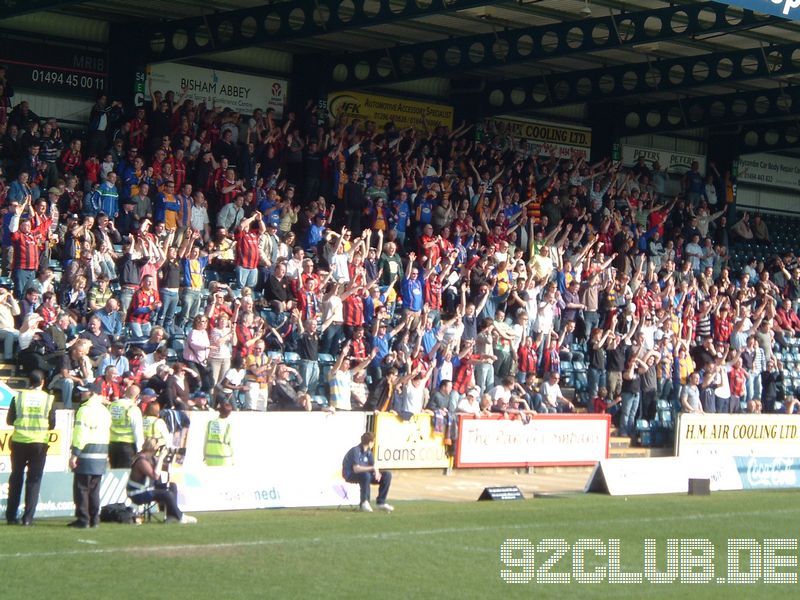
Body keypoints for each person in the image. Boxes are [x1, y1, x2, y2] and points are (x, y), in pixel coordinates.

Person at [5, 370, 55, 525]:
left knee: (16, 478)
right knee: (34, 480)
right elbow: (52, 423)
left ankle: (11, 516)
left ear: (28, 381)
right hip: (39, 443)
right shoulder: (48, 399)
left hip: (19, 442)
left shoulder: (19, 397)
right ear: (43, 382)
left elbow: (10, 420)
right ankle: (28, 518)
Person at [68, 384, 111, 528]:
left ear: (91, 394)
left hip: (87, 452)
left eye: (84, 392)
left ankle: (83, 519)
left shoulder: (84, 410)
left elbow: (80, 434)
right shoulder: (105, 411)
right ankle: (94, 519)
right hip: (101, 452)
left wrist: (75, 454)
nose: (81, 394)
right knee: (94, 489)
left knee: (81, 488)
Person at [127, 437, 196, 524]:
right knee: (166, 494)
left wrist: (169, 457)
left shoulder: (150, 458)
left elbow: (163, 468)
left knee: (172, 485)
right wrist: (161, 457)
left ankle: (170, 516)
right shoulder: (141, 460)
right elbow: (155, 476)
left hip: (147, 488)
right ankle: (180, 517)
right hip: (137, 493)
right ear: (153, 447)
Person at [342, 431, 393, 513]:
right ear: (370, 442)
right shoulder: (355, 450)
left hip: (366, 475)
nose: (373, 444)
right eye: (373, 442)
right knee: (366, 475)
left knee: (387, 475)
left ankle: (381, 502)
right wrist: (372, 468)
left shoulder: (369, 452)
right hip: (351, 475)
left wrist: (377, 472)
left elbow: (373, 465)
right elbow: (356, 469)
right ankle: (364, 503)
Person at [108, 388, 144, 468]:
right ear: (137, 396)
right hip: (127, 446)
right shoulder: (133, 408)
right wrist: (140, 449)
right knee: (125, 474)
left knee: (114, 471)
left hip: (112, 444)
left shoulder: (112, 405)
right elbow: (137, 430)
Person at [204, 399, 233, 466]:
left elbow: (206, 441)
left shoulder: (210, 423)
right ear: (229, 413)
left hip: (210, 458)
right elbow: (231, 444)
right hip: (224, 459)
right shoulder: (228, 426)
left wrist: (205, 455)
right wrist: (233, 460)